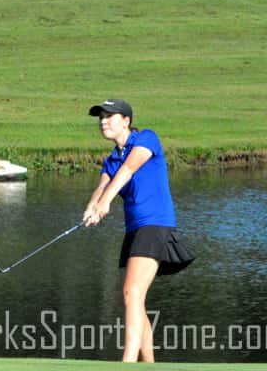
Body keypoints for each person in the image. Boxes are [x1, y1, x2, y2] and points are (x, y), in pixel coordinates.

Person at [82, 99, 195, 363]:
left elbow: (129, 170)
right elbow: (102, 185)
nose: (103, 121)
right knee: (135, 298)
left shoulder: (146, 139)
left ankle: (128, 362)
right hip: (134, 229)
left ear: (126, 121)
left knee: (132, 293)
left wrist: (106, 201)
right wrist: (91, 207)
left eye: (110, 116)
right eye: (101, 117)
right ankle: (149, 364)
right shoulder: (111, 159)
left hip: (155, 224)